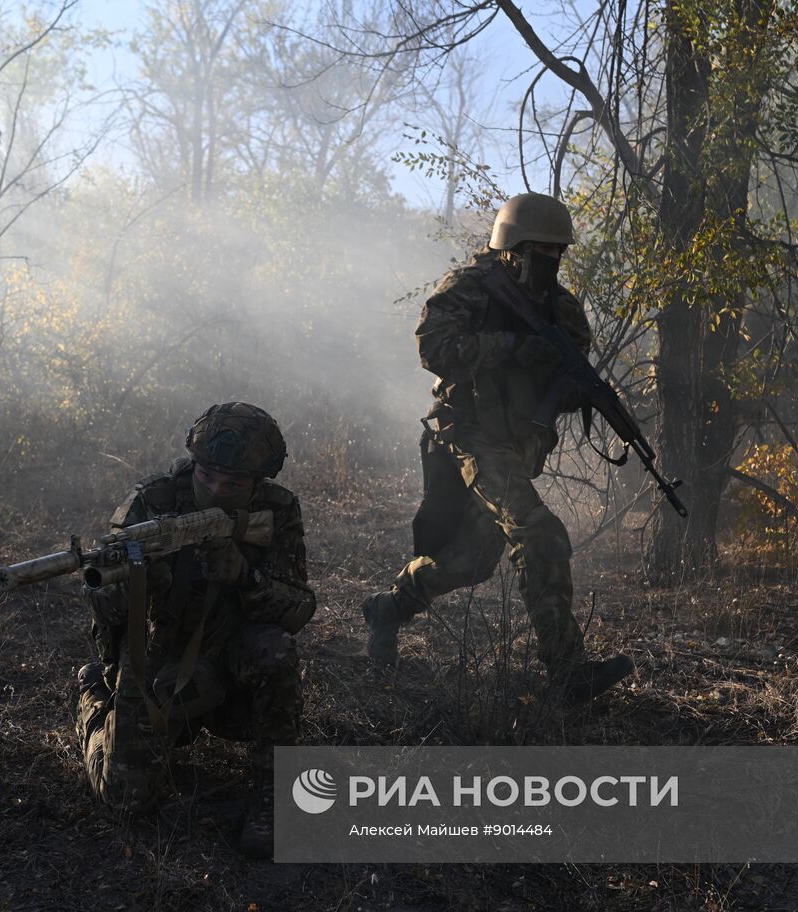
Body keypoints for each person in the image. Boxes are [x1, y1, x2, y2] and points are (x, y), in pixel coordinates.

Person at [361, 192, 633, 705]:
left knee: (471, 562)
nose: (551, 261)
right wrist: (511, 347)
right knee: (539, 532)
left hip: (514, 443)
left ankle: (388, 609)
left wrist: (576, 390)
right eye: (541, 252)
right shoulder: (471, 288)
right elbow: (433, 348)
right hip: (467, 434)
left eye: (558, 253)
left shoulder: (561, 308)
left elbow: (565, 376)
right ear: (511, 248)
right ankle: (567, 670)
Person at [75, 403, 316, 858]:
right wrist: (143, 585)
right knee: (126, 799)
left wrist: (246, 577)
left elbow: (299, 609)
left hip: (231, 661)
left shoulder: (276, 509)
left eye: (233, 485)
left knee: (276, 651)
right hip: (160, 658)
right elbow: (103, 606)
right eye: (206, 477)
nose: (215, 491)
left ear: (258, 481)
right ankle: (92, 698)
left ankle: (274, 793)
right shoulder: (153, 502)